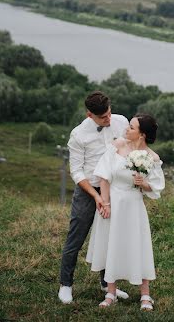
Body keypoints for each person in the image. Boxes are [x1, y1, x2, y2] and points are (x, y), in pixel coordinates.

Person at [86, 113, 165, 311]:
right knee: (111, 245)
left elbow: (156, 187)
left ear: (142, 135)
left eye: (131, 127)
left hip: (133, 207)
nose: (126, 130)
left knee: (138, 246)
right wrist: (105, 204)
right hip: (113, 203)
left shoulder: (151, 157)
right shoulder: (117, 146)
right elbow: (104, 176)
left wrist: (144, 184)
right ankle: (111, 293)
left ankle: (145, 295)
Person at [58, 91, 130, 304]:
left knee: (110, 238)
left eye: (108, 114)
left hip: (115, 189)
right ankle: (66, 285)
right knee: (76, 237)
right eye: (102, 117)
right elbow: (77, 172)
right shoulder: (78, 134)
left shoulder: (120, 121)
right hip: (88, 190)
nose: (108, 120)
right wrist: (96, 196)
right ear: (90, 115)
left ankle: (107, 286)